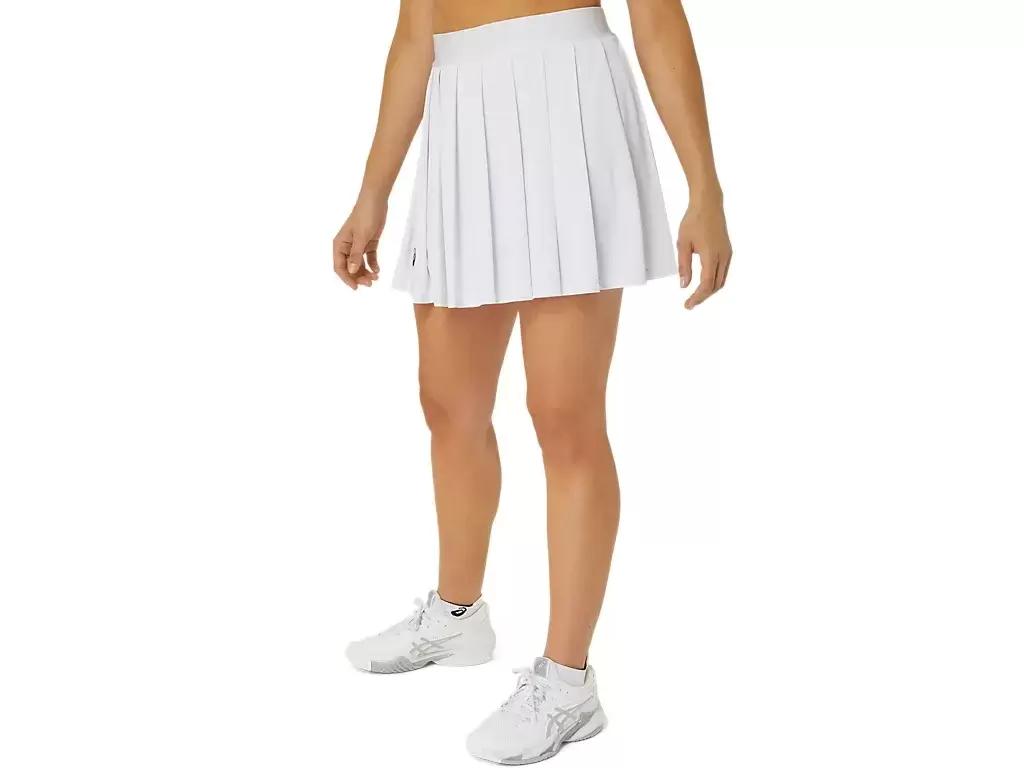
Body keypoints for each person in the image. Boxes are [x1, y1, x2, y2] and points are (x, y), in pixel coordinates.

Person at [334, 1, 732, 763]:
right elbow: (416, 34)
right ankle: (457, 617)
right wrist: (373, 191)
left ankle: (567, 683)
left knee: (563, 414)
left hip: (569, 104)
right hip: (460, 115)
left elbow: (656, 21)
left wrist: (704, 189)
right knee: (448, 402)